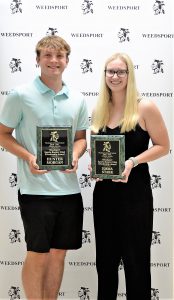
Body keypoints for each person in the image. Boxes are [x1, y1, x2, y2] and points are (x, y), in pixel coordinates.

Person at [0, 35, 89, 299]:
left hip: (69, 192)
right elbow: (3, 134)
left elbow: (81, 139)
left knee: (58, 254)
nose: (54, 61)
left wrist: (74, 155)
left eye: (59, 56)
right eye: (48, 56)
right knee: (37, 254)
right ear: (38, 59)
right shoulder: (20, 95)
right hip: (34, 190)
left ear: (67, 61)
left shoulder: (78, 98)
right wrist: (28, 156)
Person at [90, 53, 170, 300]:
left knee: (136, 264)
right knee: (105, 264)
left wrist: (132, 162)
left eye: (120, 72)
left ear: (129, 75)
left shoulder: (144, 106)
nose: (114, 76)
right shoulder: (99, 109)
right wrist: (96, 167)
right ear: (104, 75)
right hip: (104, 196)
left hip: (135, 197)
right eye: (110, 72)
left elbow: (163, 146)